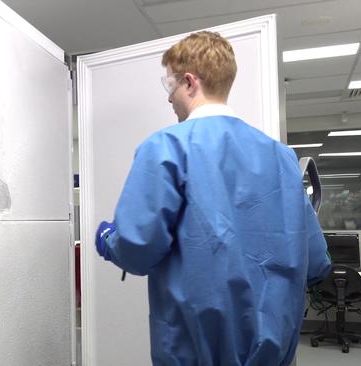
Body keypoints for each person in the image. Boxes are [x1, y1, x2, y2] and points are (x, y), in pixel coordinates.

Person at [95, 31, 331, 366]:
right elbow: (317, 261)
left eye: (170, 86)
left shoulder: (166, 147)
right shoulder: (281, 157)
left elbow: (137, 248)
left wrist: (108, 240)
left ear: (190, 83)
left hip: (195, 353)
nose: (169, 98)